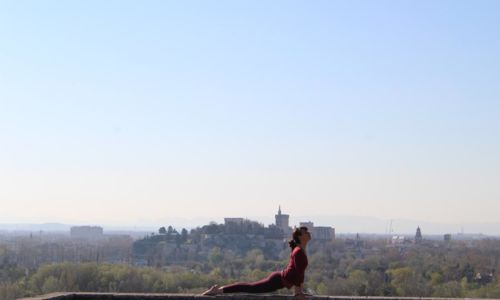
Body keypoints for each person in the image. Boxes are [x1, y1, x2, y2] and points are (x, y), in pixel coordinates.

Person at [202, 226, 311, 297]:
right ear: (300, 237)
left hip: (279, 280)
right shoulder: (298, 252)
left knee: (250, 287)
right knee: (250, 288)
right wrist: (298, 294)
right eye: (305, 232)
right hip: (277, 280)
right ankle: (217, 290)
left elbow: (299, 274)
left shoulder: (300, 250)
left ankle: (218, 290)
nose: (308, 232)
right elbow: (298, 274)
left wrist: (299, 293)